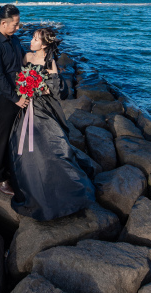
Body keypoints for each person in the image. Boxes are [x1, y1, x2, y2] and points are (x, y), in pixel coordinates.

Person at [7, 27, 95, 220]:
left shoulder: (50, 62)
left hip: (43, 107)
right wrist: (24, 86)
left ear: (45, 44)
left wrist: (38, 86)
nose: (31, 41)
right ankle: (28, 184)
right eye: (32, 38)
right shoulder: (28, 57)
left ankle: (62, 189)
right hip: (27, 105)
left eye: (36, 39)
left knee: (52, 145)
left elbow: (56, 90)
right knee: (23, 145)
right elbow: (17, 76)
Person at [0, 4, 29, 196]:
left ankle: (15, 168)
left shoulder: (15, 40)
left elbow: (23, 62)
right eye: (15, 24)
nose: (18, 28)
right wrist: (16, 98)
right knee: (2, 138)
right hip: (5, 99)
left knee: (17, 135)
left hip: (22, 94)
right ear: (3, 23)